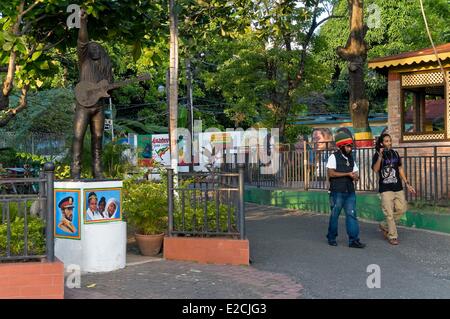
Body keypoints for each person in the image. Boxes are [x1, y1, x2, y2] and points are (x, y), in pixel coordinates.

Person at [71, 8, 113, 179]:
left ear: (101, 52)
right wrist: (83, 22)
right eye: (92, 48)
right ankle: (75, 171)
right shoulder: (84, 61)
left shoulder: (105, 69)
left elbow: (110, 88)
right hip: (83, 106)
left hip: (99, 107)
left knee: (98, 139)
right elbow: (82, 41)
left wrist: (109, 89)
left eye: (98, 48)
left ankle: (97, 170)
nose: (94, 50)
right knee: (78, 137)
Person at [371, 133, 416, 245]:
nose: (389, 143)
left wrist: (407, 183)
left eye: (390, 141)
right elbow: (376, 170)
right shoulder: (377, 155)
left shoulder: (395, 153)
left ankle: (385, 225)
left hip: (397, 187)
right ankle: (393, 236)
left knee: (402, 209)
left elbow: (400, 169)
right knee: (389, 214)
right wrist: (380, 156)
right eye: (386, 141)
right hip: (385, 188)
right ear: (382, 143)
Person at [326, 131, 366, 248]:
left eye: (351, 146)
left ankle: (353, 240)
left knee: (352, 215)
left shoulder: (351, 158)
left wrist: (356, 176)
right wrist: (348, 174)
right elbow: (331, 173)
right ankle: (331, 237)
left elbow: (356, 173)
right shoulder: (333, 157)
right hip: (336, 192)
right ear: (341, 146)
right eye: (348, 146)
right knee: (334, 215)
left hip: (350, 192)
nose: (350, 148)